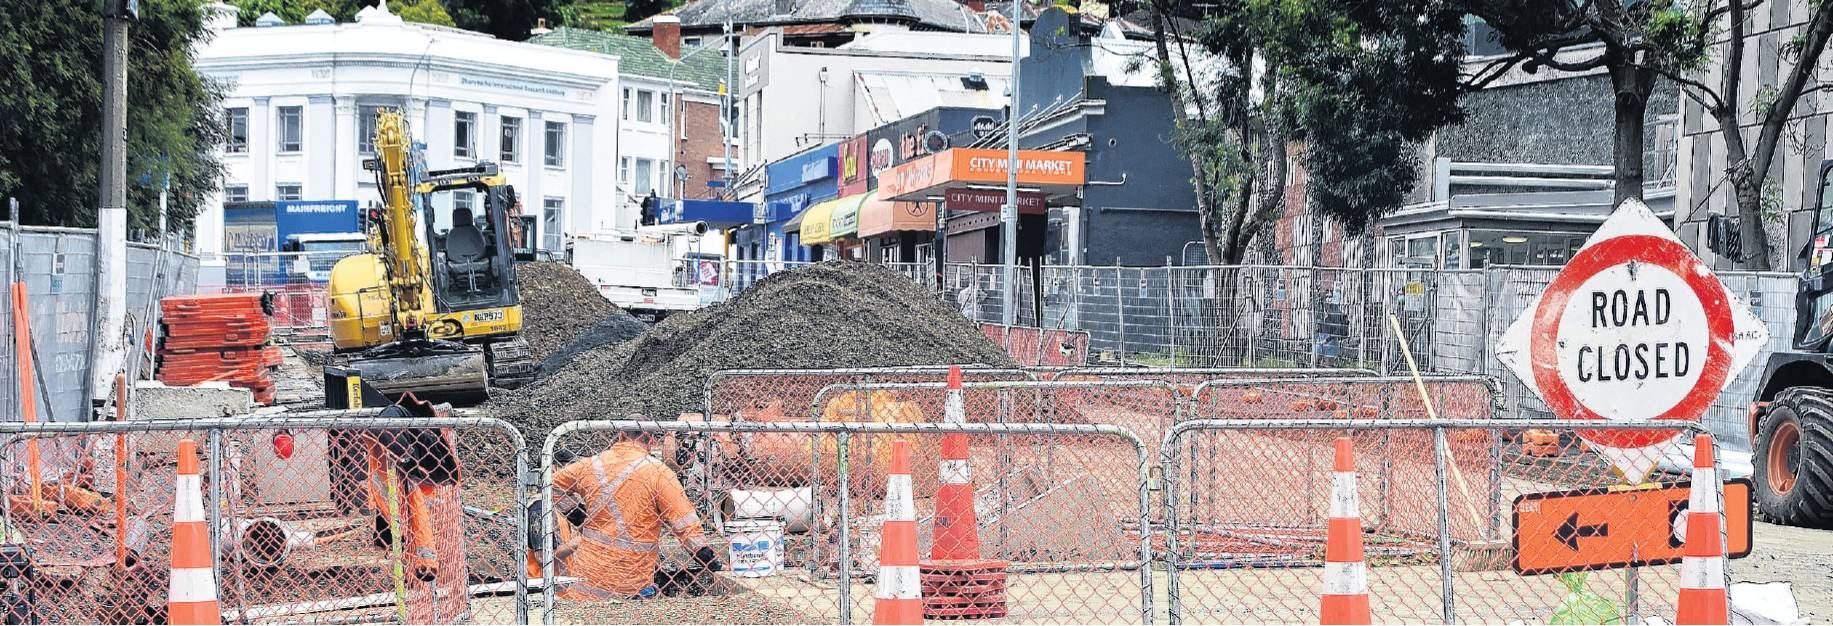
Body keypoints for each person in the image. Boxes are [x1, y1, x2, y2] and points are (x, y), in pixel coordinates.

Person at [551, 422, 720, 599]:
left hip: (588, 583)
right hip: (631, 583)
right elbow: (684, 521)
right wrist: (705, 556)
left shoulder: (590, 465)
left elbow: (551, 484)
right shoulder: (659, 473)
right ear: (651, 441)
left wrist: (577, 516)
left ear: (621, 436)